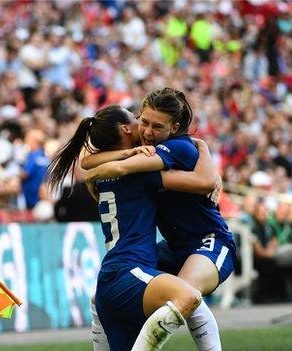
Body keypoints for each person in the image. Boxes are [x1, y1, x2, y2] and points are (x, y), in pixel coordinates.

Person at [47, 105, 220, 350]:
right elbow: (204, 182)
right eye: (136, 118)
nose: (143, 124)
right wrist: (202, 148)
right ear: (127, 129)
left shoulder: (105, 172)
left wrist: (119, 160)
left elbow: (88, 162)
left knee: (190, 301)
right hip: (129, 272)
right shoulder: (139, 170)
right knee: (189, 297)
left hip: (114, 277)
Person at [84, 88, 236, 351]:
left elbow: (205, 181)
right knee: (104, 296)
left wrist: (96, 174)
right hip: (174, 248)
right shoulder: (146, 152)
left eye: (158, 126)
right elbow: (90, 161)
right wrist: (109, 162)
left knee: (185, 293)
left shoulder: (177, 148)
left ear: (174, 128)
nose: (148, 132)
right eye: (143, 122)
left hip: (209, 241)